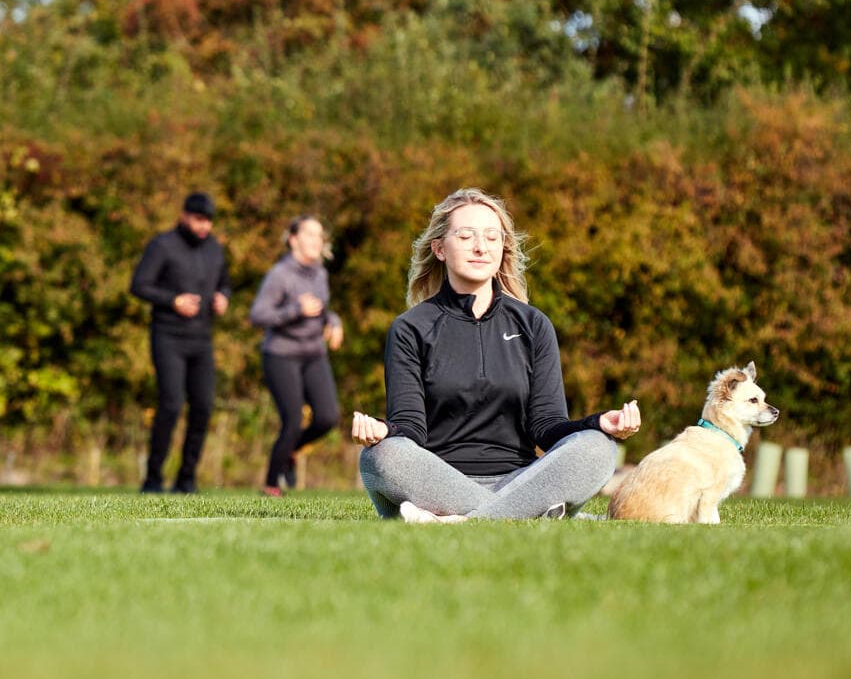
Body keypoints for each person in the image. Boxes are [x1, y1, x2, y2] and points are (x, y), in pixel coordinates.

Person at [349, 188, 641, 521]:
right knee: (380, 456)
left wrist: (597, 423)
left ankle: (459, 521)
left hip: (523, 480)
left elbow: (546, 426)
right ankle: (528, 515)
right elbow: (412, 430)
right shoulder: (410, 328)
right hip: (438, 483)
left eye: (492, 237)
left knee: (598, 447)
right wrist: (384, 432)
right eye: (466, 236)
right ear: (439, 248)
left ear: (503, 247)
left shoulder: (534, 325)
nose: (480, 247)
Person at [130, 191, 233, 493]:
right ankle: (153, 477)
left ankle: (186, 478)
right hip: (168, 336)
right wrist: (172, 300)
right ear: (184, 216)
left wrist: (223, 297)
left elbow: (225, 282)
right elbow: (139, 285)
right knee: (171, 405)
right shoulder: (163, 246)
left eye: (209, 221)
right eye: (199, 220)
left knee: (203, 407)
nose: (204, 227)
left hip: (201, 339)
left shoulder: (214, 249)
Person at [249, 216, 344, 496]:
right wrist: (294, 310)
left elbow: (323, 309)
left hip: (314, 353)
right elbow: (258, 315)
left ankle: (291, 451)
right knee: (292, 419)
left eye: (319, 235)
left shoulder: (320, 274)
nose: (317, 240)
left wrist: (334, 322)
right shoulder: (280, 275)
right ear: (293, 239)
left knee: (327, 417)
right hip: (281, 354)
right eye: (310, 234)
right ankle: (270, 485)